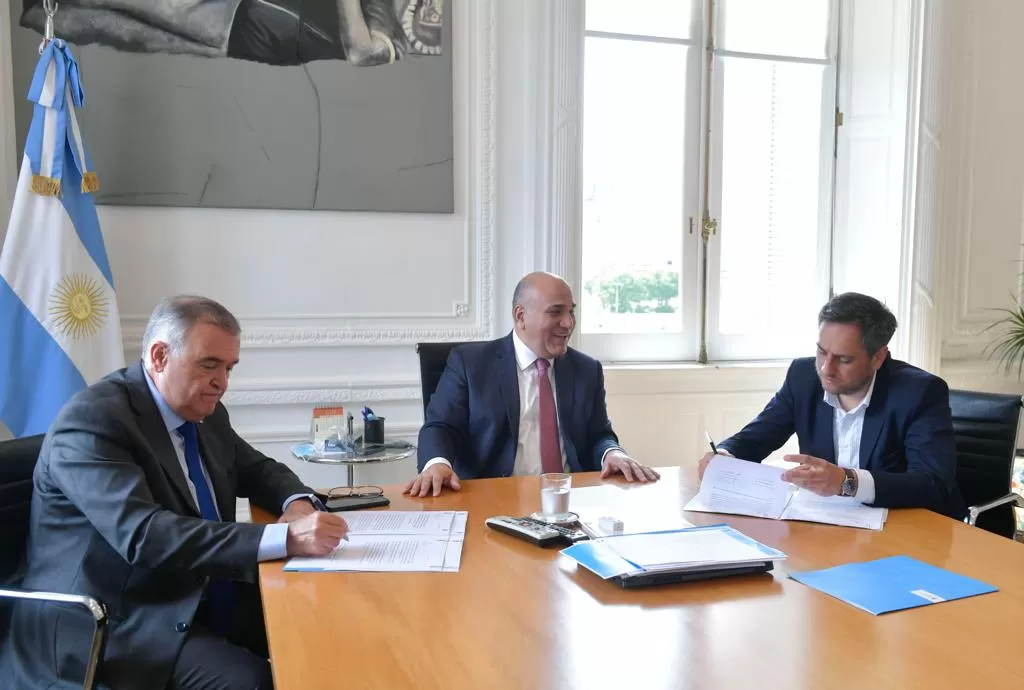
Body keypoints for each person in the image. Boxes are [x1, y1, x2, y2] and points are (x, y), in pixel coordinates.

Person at [0, 296, 349, 690]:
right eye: (209, 364)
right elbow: (146, 535)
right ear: (160, 356)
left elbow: (256, 469)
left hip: (192, 587)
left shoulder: (204, 411)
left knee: (325, 627)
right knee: (252, 682)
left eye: (229, 368)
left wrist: (296, 504)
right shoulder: (94, 420)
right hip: (116, 616)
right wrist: (286, 538)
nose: (223, 382)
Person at [697, 292, 965, 518]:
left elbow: (933, 484)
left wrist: (848, 482)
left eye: (844, 359)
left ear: (878, 357)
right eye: (822, 352)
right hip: (829, 526)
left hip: (907, 528)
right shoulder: (803, 377)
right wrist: (725, 456)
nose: (826, 368)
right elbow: (756, 437)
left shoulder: (919, 392)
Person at [405, 272, 660, 498]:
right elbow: (441, 426)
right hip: (493, 500)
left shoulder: (586, 370)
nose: (569, 323)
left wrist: (612, 453)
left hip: (569, 501)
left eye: (571, 311)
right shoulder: (470, 364)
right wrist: (438, 463)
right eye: (555, 311)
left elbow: (598, 434)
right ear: (520, 316)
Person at [19, 0, 444, 66]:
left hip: (279, 26)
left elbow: (360, 50)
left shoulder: (424, 31)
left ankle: (47, 13)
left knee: (161, 16)